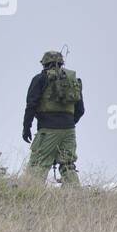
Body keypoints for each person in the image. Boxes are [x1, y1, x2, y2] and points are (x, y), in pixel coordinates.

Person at [24, 50, 84, 186]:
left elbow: (31, 105)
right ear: (62, 63)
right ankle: (76, 198)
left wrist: (26, 127)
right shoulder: (73, 81)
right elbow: (80, 110)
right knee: (67, 165)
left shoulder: (40, 79)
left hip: (48, 129)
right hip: (69, 130)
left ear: (44, 63)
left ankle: (30, 195)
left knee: (38, 163)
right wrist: (67, 123)